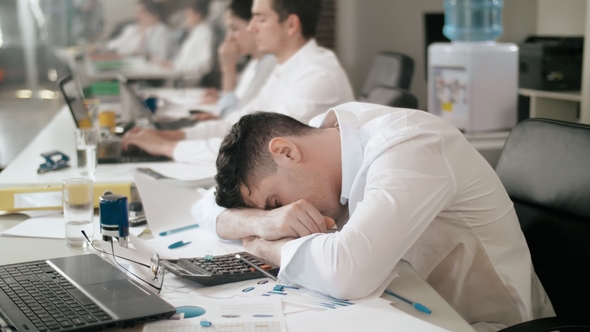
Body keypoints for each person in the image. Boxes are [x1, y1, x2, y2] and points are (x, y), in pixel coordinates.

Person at [210, 103, 556, 331]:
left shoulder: (411, 145)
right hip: (407, 309)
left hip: (481, 324)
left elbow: (347, 271)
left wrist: (264, 246)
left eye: (273, 202)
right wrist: (260, 223)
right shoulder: (321, 137)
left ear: (285, 152)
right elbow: (206, 209)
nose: (283, 217)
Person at [121, 0, 353, 164]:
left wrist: (166, 147)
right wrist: (172, 136)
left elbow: (256, 150)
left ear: (291, 25)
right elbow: (238, 124)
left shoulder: (317, 76)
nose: (251, 28)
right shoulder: (285, 69)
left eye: (260, 19)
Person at [201, 0, 277, 118]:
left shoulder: (271, 63)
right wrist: (220, 99)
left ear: (253, 25)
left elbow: (236, 119)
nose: (229, 38)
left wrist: (229, 70)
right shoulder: (255, 62)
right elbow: (241, 104)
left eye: (234, 29)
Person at [156, 0, 214, 82]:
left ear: (197, 15)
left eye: (188, 16)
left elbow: (205, 65)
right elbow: (184, 60)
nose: (186, 20)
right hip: (180, 77)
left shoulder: (205, 34)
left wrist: (176, 66)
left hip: (190, 82)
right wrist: (172, 64)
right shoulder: (195, 33)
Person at [107, 0, 174, 61]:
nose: (137, 16)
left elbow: (160, 58)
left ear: (154, 16)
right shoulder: (138, 28)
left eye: (141, 13)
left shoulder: (161, 31)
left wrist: (142, 54)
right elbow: (119, 47)